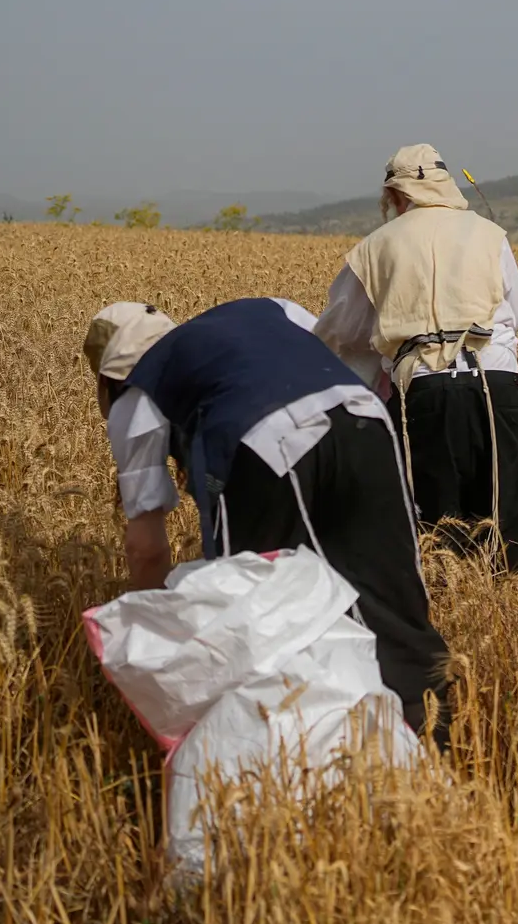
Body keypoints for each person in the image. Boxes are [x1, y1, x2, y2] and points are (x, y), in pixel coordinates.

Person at [83, 298, 450, 736]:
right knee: (391, 596)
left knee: (263, 622)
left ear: (108, 377)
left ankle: (298, 752)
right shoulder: (268, 309)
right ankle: (434, 742)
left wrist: (154, 642)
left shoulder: (140, 388)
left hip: (263, 444)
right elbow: (325, 348)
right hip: (365, 420)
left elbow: (146, 549)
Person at [315, 145, 518, 573]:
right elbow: (516, 313)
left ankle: (451, 606)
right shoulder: (490, 235)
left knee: (438, 531)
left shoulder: (375, 247)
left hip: (427, 391)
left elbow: (339, 330)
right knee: (504, 526)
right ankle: (508, 601)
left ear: (397, 195)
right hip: (499, 385)